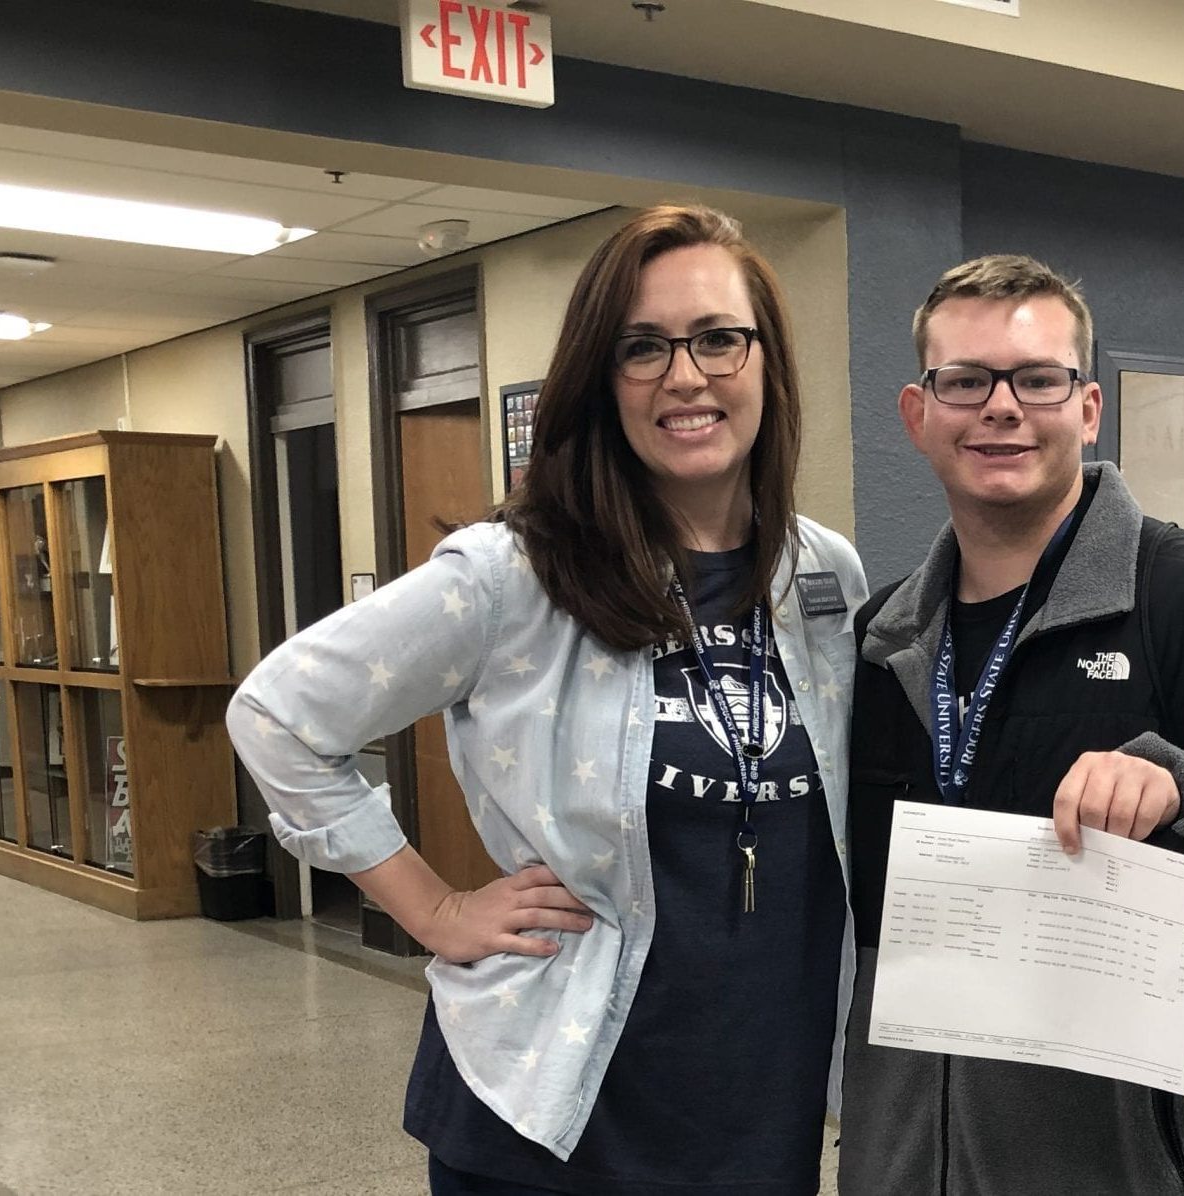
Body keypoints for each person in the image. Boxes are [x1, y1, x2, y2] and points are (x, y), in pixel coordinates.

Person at [228, 204, 866, 1194]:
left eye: (717, 338)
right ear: (600, 381)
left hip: (758, 1106)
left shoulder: (822, 574)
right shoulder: (513, 573)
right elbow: (277, 711)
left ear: (767, 361)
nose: (685, 375)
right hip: (552, 1117)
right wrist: (434, 906)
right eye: (641, 347)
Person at [836, 254, 1184, 1194]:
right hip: (912, 1159)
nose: (1002, 407)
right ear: (918, 413)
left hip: (1139, 1165)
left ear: (1089, 408)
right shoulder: (882, 641)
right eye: (965, 381)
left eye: (1038, 379)